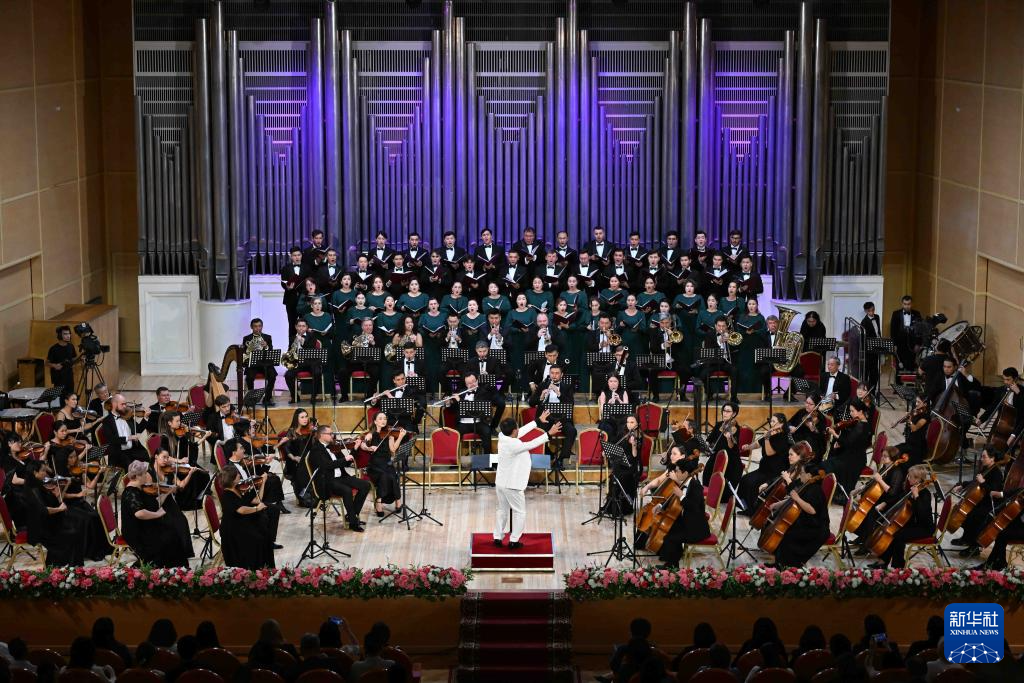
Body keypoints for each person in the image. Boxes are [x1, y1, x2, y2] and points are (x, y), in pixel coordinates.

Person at [637, 445, 710, 569]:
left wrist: (681, 496)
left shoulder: (696, 486)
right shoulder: (682, 483)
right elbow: (671, 500)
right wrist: (661, 505)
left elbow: (693, 508)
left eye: (678, 471)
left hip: (695, 527)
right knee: (668, 529)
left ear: (685, 473)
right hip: (685, 519)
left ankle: (671, 566)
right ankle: (669, 558)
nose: (675, 473)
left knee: (671, 537)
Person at [493, 414, 557, 549]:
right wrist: (548, 434)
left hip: (501, 482)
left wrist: (537, 421)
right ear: (513, 431)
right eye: (517, 428)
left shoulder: (502, 436)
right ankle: (514, 540)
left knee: (502, 510)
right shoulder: (514, 444)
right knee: (519, 512)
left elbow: (520, 432)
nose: (518, 430)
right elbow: (531, 444)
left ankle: (497, 536)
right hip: (512, 484)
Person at [121, 460, 192, 567]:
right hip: (136, 531)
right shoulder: (130, 492)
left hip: (144, 525)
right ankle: (167, 568)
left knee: (172, 531)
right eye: (145, 473)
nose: (147, 475)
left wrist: (167, 492)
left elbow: (154, 503)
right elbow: (139, 513)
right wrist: (157, 514)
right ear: (137, 476)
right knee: (169, 538)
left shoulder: (140, 487)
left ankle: (175, 569)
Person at [22, 460, 87, 566]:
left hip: (50, 521)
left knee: (77, 526)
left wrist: (58, 494)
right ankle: (68, 566)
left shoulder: (39, 484)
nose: (46, 473)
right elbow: (44, 510)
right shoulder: (33, 488)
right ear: (35, 472)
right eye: (43, 471)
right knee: (73, 534)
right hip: (41, 528)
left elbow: (53, 501)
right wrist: (60, 509)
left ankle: (69, 564)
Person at [868, 465, 934, 569]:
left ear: (918, 479)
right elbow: (898, 498)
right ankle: (883, 561)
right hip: (913, 524)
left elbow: (923, 515)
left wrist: (916, 497)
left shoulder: (925, 494)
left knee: (898, 535)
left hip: (924, 528)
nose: (908, 478)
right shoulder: (911, 489)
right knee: (893, 531)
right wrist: (885, 503)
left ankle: (898, 567)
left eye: (910, 476)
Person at [308, 425, 370, 532]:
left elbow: (346, 462)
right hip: (327, 481)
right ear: (321, 435)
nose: (333, 435)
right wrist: (344, 459)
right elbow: (327, 465)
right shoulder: (316, 450)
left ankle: (351, 515)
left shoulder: (334, 447)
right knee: (347, 490)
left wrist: (355, 449)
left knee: (365, 485)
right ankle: (353, 523)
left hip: (341, 477)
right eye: (330, 434)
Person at [768, 463, 830, 568]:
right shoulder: (807, 484)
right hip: (807, 521)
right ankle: (780, 563)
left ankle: (788, 566)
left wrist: (797, 498)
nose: (800, 475)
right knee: (784, 528)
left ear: (809, 475)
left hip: (816, 528)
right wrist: (776, 505)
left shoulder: (815, 490)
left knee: (788, 533)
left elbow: (812, 510)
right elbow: (793, 499)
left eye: (802, 473)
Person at [951, 447, 1005, 558]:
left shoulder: (997, 473)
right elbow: (975, 482)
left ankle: (974, 547)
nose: (981, 459)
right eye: (981, 456)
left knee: (973, 517)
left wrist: (983, 482)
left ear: (992, 458)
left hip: (990, 504)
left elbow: (993, 492)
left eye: (984, 457)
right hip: (981, 501)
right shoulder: (985, 468)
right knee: (966, 512)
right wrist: (963, 485)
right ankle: (966, 538)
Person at [217, 466, 276, 569]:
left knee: (265, 531)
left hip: (240, 521)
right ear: (232, 479)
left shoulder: (238, 488)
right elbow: (241, 510)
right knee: (259, 537)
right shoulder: (226, 495)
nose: (239, 475)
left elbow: (257, 500)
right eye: (237, 474)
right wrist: (257, 509)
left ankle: (264, 567)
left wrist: (263, 483)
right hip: (233, 529)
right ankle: (256, 567)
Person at [529, 365, 577, 470]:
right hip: (546, 419)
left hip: (562, 419)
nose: (554, 375)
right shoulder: (542, 385)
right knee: (538, 433)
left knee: (572, 431)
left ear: (561, 375)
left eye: (557, 373)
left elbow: (570, 403)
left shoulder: (567, 387)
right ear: (549, 374)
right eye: (552, 373)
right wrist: (541, 397)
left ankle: (560, 460)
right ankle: (550, 456)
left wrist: (559, 393)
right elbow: (531, 403)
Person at [824, 398, 872, 500]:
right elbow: (851, 441)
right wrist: (840, 443)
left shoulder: (861, 426)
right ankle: (830, 489)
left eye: (852, 411)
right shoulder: (858, 423)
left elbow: (848, 442)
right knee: (829, 462)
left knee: (830, 465)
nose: (850, 414)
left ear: (860, 411)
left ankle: (835, 492)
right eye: (850, 411)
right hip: (851, 453)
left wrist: (835, 434)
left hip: (855, 459)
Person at [362, 411, 407, 517]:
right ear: (375, 421)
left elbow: (393, 449)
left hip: (386, 463)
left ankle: (396, 500)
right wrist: (369, 447)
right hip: (374, 465)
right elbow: (363, 444)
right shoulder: (370, 434)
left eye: (385, 418)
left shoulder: (389, 433)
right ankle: (379, 501)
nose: (383, 420)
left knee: (393, 475)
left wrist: (400, 437)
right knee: (384, 475)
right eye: (380, 418)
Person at [243, 318, 277, 405]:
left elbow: (271, 351)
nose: (258, 328)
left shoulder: (267, 337)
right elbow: (244, 353)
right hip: (253, 365)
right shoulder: (247, 338)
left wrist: (266, 346)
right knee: (249, 378)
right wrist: (250, 350)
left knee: (273, 375)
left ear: (262, 326)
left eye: (259, 326)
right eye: (255, 326)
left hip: (265, 364)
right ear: (251, 327)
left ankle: (267, 398)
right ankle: (252, 398)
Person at [890, 295, 923, 371]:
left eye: (908, 304)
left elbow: (920, 330)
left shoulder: (917, 314)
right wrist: (894, 344)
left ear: (912, 304)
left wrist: (918, 344)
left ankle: (909, 378)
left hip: (912, 344)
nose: (907, 306)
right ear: (902, 304)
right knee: (899, 365)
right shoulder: (896, 314)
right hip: (899, 344)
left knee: (910, 365)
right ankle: (899, 378)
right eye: (905, 304)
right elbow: (893, 330)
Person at [46, 325, 78, 391]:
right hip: (58, 379)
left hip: (69, 378)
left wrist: (81, 359)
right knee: (59, 396)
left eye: (69, 333)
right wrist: (55, 365)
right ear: (60, 335)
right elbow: (47, 363)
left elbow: (74, 359)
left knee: (70, 396)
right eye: (65, 334)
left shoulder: (71, 346)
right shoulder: (53, 348)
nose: (68, 336)